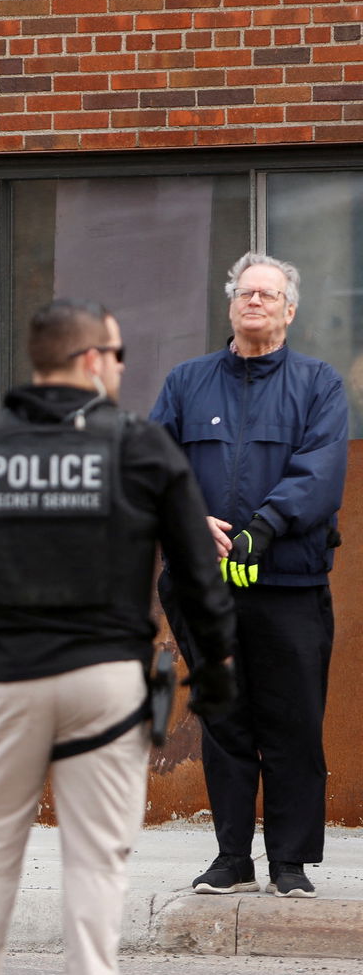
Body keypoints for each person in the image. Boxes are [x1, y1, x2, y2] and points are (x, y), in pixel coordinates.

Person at [0, 300, 235, 975]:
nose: (120, 368)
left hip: (7, 679)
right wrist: (213, 673)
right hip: (108, 683)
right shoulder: (142, 447)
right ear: (89, 361)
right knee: (97, 859)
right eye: (115, 354)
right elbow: (198, 570)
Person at [150, 251, 347, 900]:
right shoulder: (186, 383)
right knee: (225, 721)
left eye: (268, 294)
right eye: (245, 293)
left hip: (288, 584)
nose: (254, 302)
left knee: (292, 723)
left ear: (289, 310)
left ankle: (289, 864)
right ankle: (231, 857)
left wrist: (263, 527)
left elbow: (320, 472)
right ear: (231, 304)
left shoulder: (319, 385)